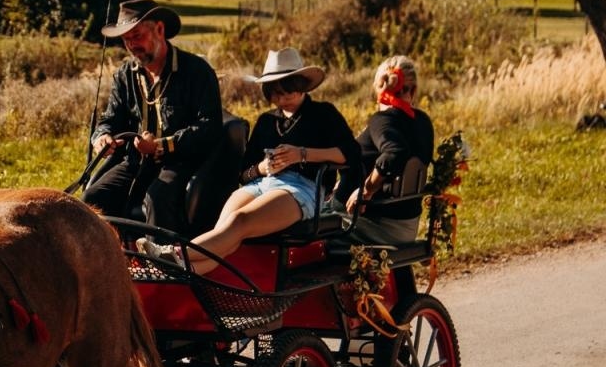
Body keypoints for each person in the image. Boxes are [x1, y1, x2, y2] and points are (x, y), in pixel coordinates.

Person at [139, 48, 359, 274]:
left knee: (239, 220)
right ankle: (182, 272)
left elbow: (350, 153)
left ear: (302, 86)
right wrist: (262, 168)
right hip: (261, 183)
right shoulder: (266, 121)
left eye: (288, 93)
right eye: (275, 94)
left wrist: (301, 154)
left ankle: (173, 253)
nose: (281, 100)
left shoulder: (323, 114)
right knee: (224, 231)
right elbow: (244, 173)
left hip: (301, 187)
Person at [82, 0, 225, 233]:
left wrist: (160, 146)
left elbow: (209, 126)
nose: (132, 45)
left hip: (181, 161)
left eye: (137, 36)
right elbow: (111, 119)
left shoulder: (197, 71)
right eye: (126, 39)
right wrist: (102, 137)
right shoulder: (125, 75)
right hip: (136, 161)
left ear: (159, 29)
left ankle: (162, 257)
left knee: (157, 198)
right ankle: (110, 254)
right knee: (93, 198)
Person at [347, 55, 436, 245]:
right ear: (414, 90)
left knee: (311, 224)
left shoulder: (383, 120)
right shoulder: (423, 122)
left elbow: (395, 153)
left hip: (374, 225)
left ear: (379, 87)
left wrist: (366, 191)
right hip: (408, 226)